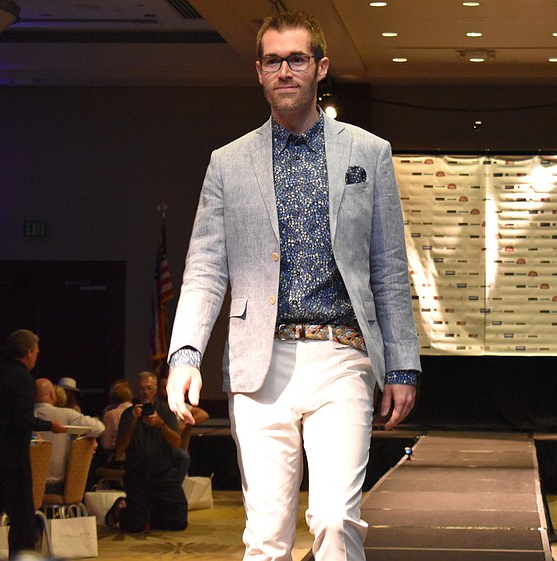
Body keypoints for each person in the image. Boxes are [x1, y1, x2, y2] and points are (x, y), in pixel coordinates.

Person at [165, 11, 421, 561]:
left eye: (297, 59)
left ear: (320, 67)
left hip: (343, 355)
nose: (285, 70)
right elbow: (205, 268)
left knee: (334, 518)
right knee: (266, 536)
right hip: (260, 361)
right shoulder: (227, 163)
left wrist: (402, 365)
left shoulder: (368, 153)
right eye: (273, 61)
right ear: (259, 71)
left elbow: (388, 267)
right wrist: (185, 354)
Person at [0, 329, 66, 556]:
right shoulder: (24, 379)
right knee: (22, 517)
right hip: (13, 457)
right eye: (36, 352)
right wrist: (49, 426)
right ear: (28, 352)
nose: (36, 357)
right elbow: (22, 419)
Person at [108, 371, 187, 532]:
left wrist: (160, 424)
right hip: (137, 476)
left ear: (155, 390)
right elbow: (120, 448)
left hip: (163, 475)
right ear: (137, 391)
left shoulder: (165, 411)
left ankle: (152, 513)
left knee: (177, 523)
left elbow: (176, 443)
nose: (145, 392)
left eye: (149, 388)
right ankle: (119, 508)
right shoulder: (128, 414)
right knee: (133, 527)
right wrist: (133, 422)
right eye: (142, 388)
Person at [34, 378, 105, 493]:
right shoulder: (68, 415)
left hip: (25, 487)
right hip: (59, 486)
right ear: (53, 394)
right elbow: (99, 428)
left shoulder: (22, 417)